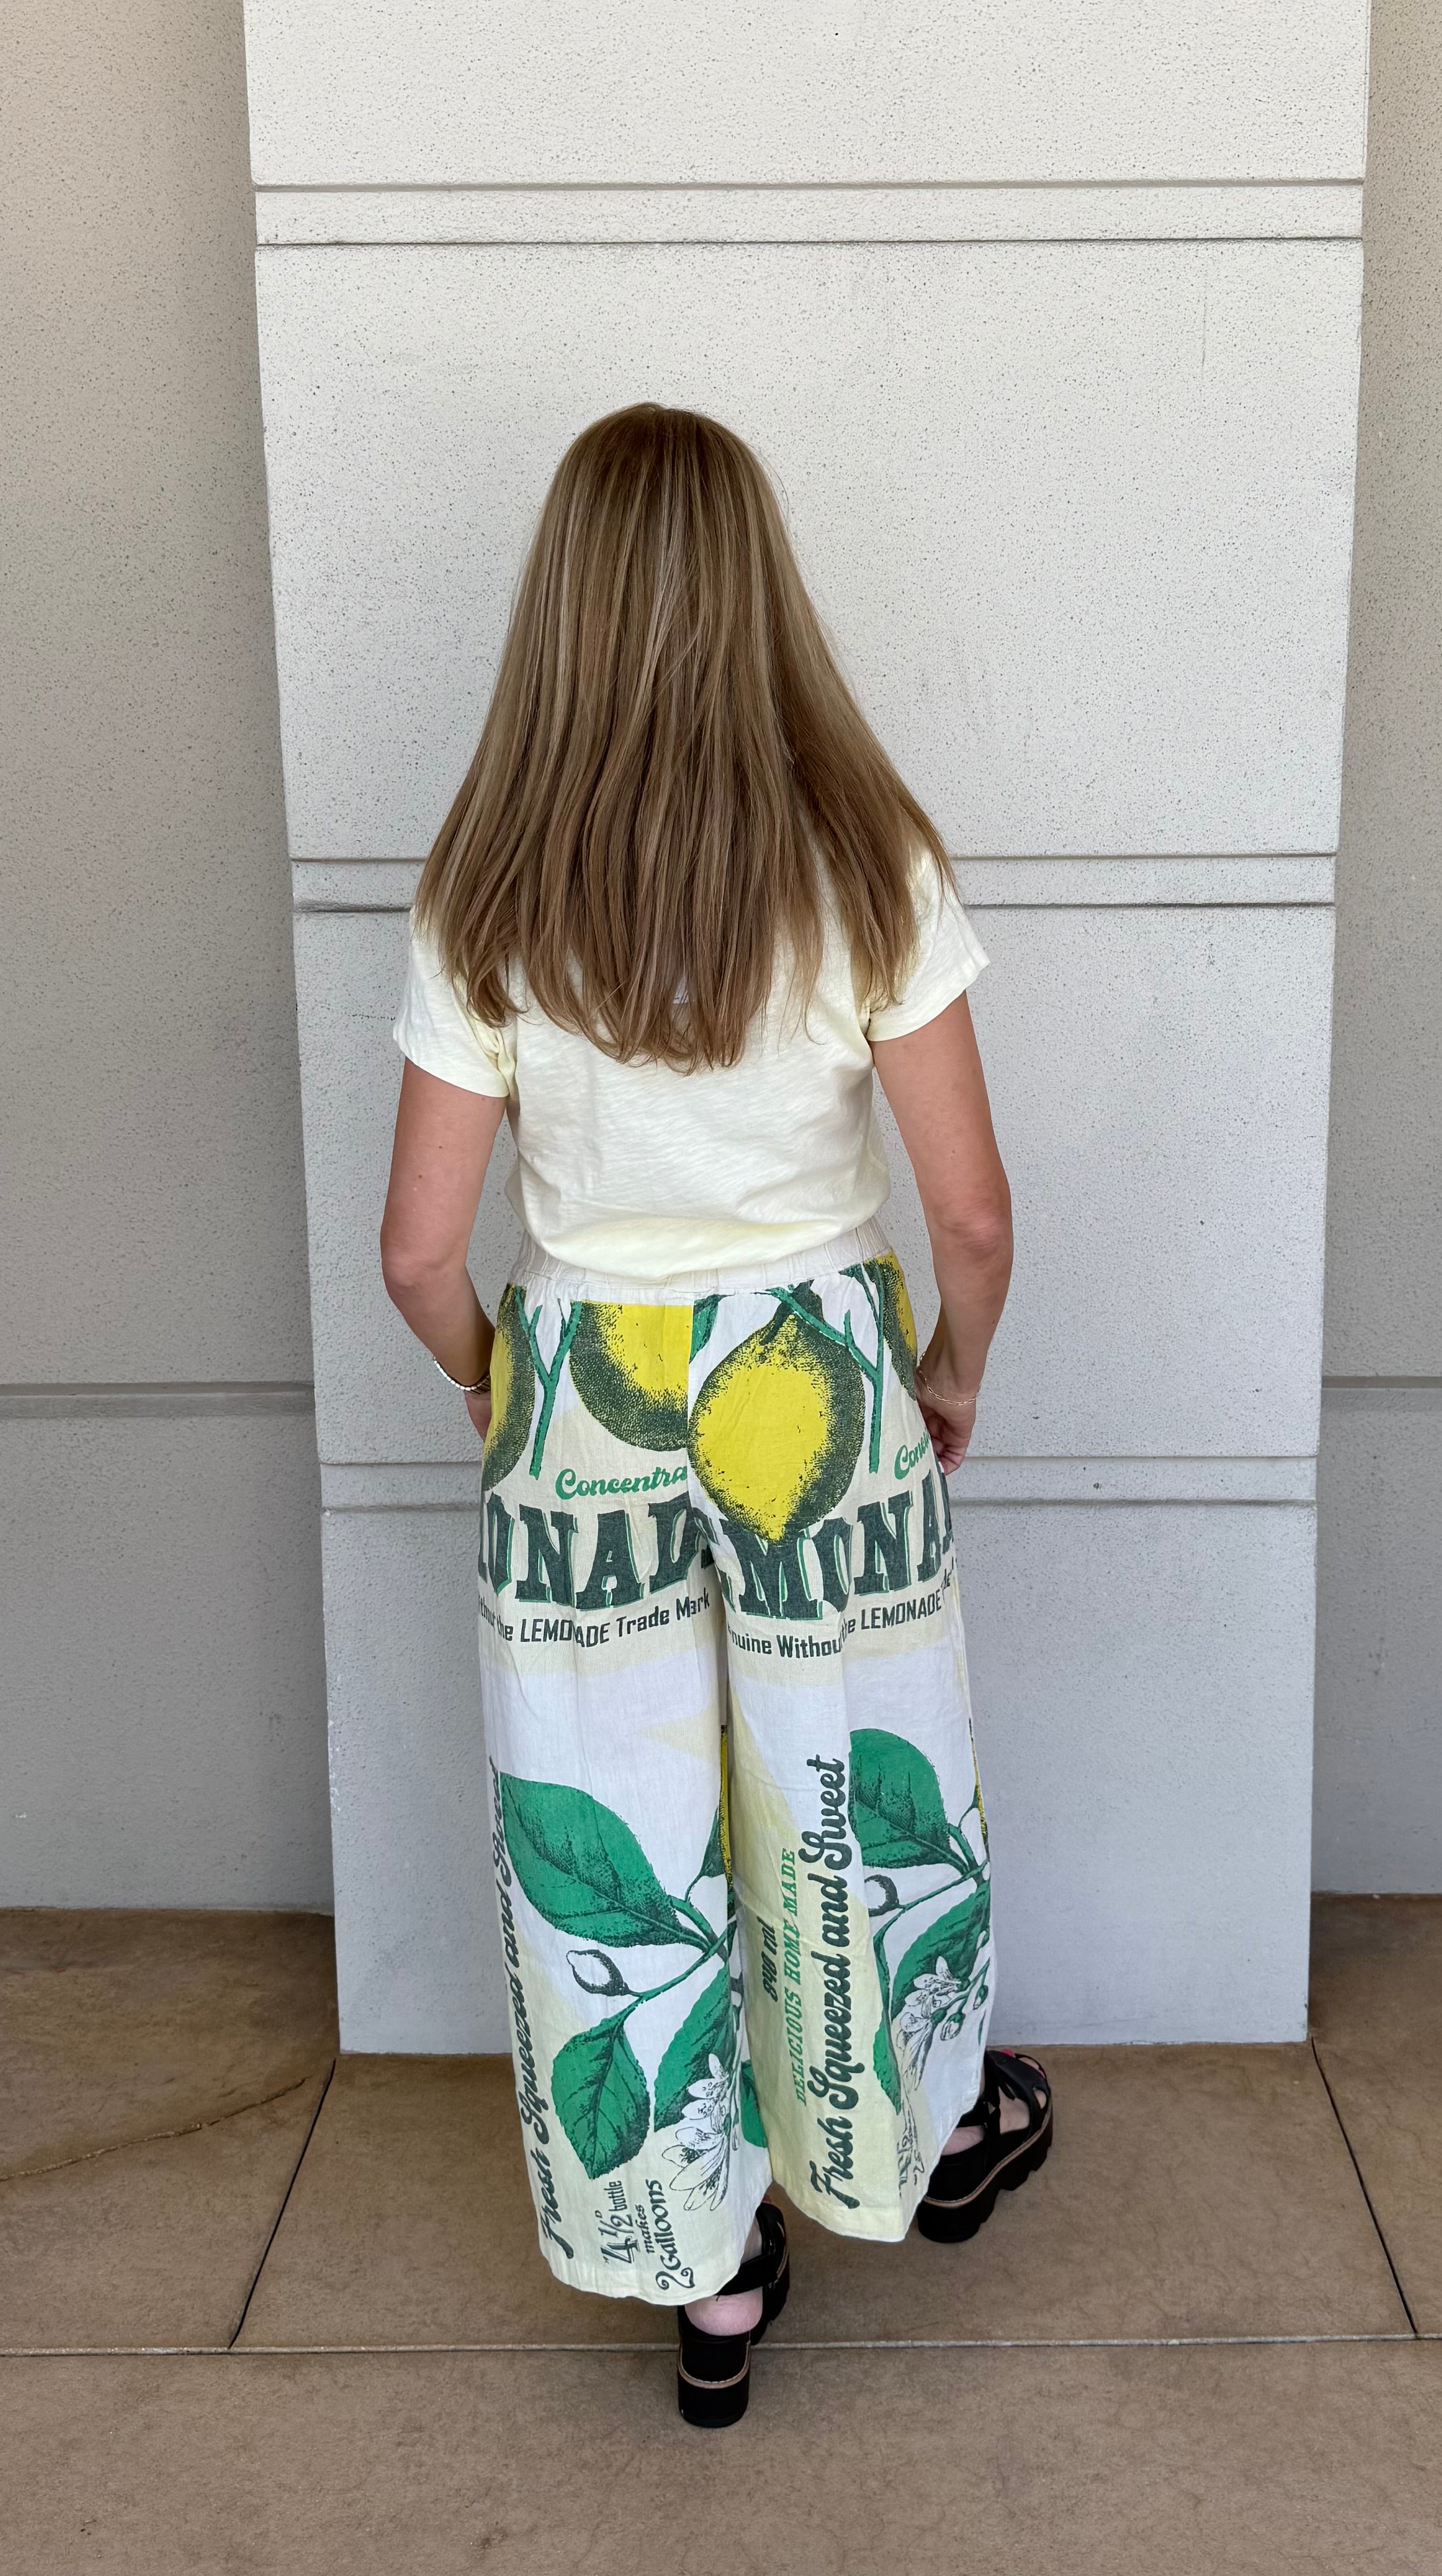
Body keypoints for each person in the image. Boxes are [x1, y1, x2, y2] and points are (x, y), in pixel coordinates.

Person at [380, 404, 1050, 2427]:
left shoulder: (487, 887)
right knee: (849, 1791)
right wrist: (948, 1373)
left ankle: (707, 2268)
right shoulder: (870, 861)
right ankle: (921, 2139)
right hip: (812, 1385)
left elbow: (416, 1250)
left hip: (584, 1383)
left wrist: (502, 1389)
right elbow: (974, 1215)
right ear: (763, 591)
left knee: (614, 1828)